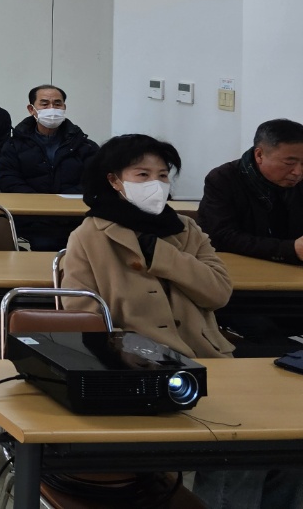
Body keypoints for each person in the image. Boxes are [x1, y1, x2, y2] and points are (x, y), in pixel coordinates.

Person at [62, 135, 303, 509]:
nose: (155, 184)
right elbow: (82, 318)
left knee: (288, 445)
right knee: (239, 455)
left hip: (211, 362)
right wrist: (135, 353)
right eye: (142, 175)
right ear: (114, 180)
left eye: (163, 175)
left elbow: (218, 293)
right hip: (140, 371)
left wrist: (163, 255)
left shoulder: (186, 231)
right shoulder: (89, 237)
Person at [0, 84, 99, 250]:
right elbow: (8, 179)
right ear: (31, 109)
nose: (52, 108)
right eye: (44, 104)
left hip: (75, 215)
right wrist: (40, 203)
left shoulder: (84, 145)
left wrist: (61, 202)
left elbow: (95, 179)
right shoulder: (14, 145)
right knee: (46, 243)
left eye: (57, 104)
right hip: (32, 216)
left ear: (64, 108)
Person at [198, 118, 303, 265]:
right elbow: (221, 237)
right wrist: (290, 249)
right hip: (240, 267)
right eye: (289, 163)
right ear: (259, 155)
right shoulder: (223, 179)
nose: (298, 172)